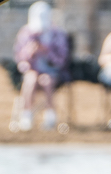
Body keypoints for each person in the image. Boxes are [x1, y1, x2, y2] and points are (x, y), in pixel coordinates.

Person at [13, 2, 70, 132]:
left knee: (47, 81)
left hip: (52, 72)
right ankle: (26, 116)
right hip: (32, 71)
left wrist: (47, 51)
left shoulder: (57, 33)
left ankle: (50, 117)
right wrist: (30, 53)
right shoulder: (26, 33)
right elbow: (19, 59)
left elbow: (62, 60)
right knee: (30, 80)